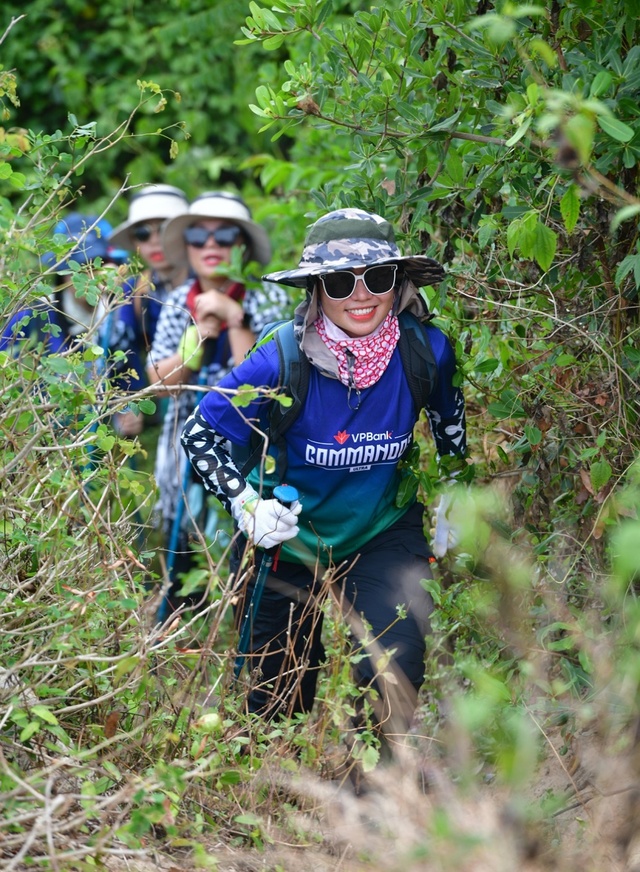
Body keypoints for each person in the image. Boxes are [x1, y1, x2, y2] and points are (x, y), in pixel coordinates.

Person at [180, 207, 468, 747]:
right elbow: (199, 433)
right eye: (340, 282)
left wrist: (454, 490)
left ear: (398, 281)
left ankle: (377, 800)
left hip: (381, 530)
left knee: (396, 662)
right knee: (276, 702)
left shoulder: (426, 350)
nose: (361, 295)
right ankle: (279, 805)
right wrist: (245, 503)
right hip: (290, 538)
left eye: (377, 277)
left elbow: (449, 420)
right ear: (317, 290)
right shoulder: (277, 358)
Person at [146, 191, 290, 620]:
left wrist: (235, 319)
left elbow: (262, 385)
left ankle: (238, 640)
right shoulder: (176, 301)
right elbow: (160, 383)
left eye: (225, 235)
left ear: (241, 245)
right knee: (183, 554)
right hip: (186, 452)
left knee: (244, 559)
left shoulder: (267, 300)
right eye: (198, 235)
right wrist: (202, 335)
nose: (211, 245)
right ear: (186, 247)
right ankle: (182, 642)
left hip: (249, 449)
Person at [106, 184, 190, 436]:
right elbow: (122, 351)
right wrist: (127, 403)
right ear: (134, 242)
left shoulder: (210, 282)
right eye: (143, 233)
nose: (155, 240)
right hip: (162, 396)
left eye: (164, 229)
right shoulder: (134, 292)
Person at [1, 212, 114, 354]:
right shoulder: (36, 314)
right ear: (63, 272)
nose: (90, 276)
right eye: (79, 268)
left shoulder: (120, 311)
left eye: (95, 266)